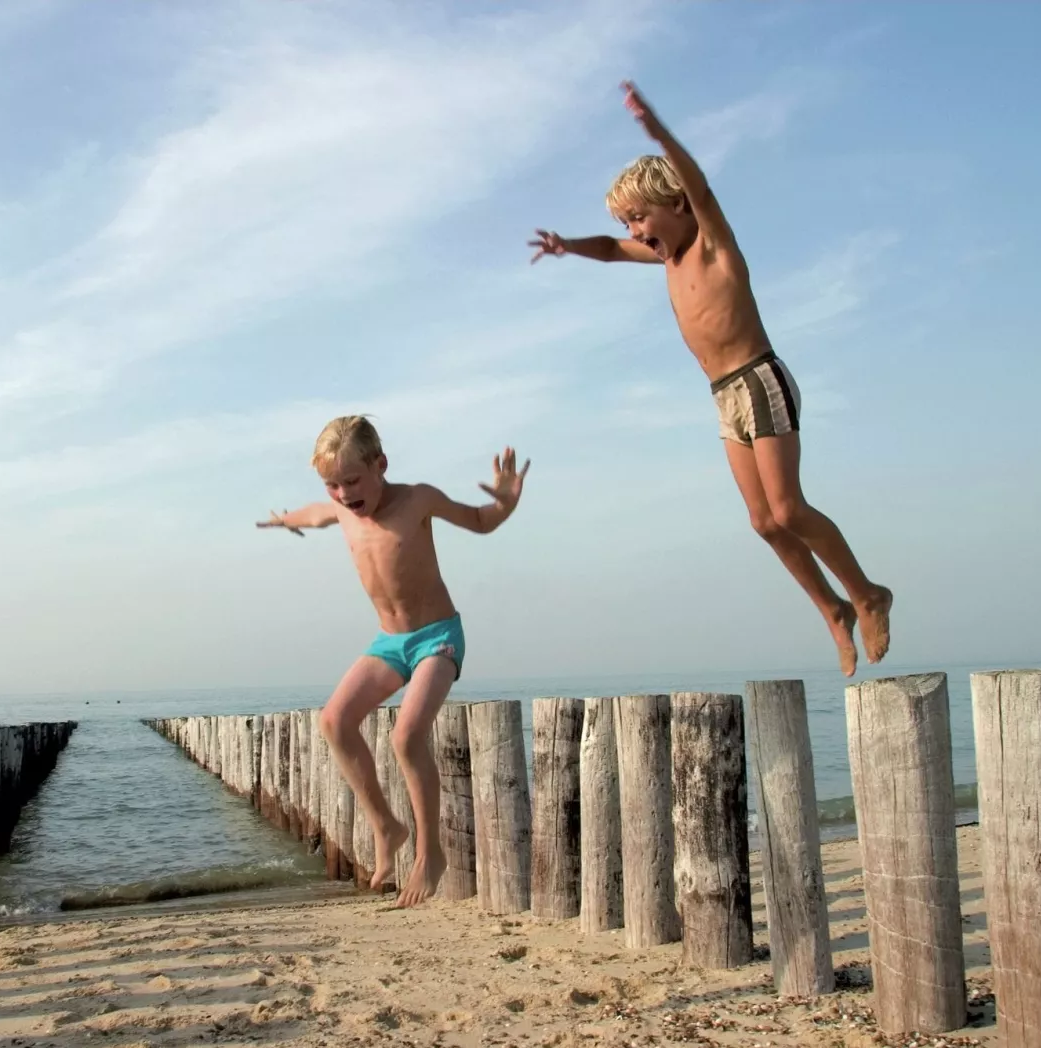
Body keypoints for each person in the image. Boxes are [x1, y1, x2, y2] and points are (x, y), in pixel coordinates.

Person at [529, 81, 892, 676]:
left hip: (759, 380)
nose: (635, 230)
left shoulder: (713, 244)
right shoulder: (662, 258)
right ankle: (831, 609)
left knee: (789, 508)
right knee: (763, 522)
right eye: (627, 221)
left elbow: (697, 182)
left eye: (639, 216)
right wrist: (569, 245)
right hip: (724, 397)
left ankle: (866, 593)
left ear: (676, 206)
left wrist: (659, 135)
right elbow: (614, 251)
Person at [257, 416, 529, 906]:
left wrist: (505, 503)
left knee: (406, 735)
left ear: (381, 464)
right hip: (389, 643)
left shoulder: (418, 499)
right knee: (335, 721)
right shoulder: (341, 509)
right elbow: (316, 513)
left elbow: (480, 521)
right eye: (332, 484)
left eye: (353, 481)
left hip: (438, 639)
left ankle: (430, 852)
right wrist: (285, 520)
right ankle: (387, 826)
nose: (343, 493)